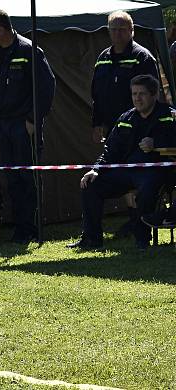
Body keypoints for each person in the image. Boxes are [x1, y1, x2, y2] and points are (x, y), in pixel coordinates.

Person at [68, 75, 176, 250]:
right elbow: (110, 150)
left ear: (154, 95)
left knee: (147, 189)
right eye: (134, 94)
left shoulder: (169, 114)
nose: (137, 98)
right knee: (90, 185)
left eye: (142, 94)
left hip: (156, 171)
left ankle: (142, 239)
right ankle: (91, 239)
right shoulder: (126, 118)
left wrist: (157, 143)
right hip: (127, 171)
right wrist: (95, 170)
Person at [0, 9, 56, 244]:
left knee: (28, 177)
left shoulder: (29, 51)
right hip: (4, 124)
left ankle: (32, 226)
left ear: (2, 29)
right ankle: (19, 227)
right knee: (12, 178)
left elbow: (46, 86)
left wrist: (33, 120)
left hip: (23, 124)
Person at [91, 10, 160, 238]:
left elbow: (153, 95)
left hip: (139, 128)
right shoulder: (103, 58)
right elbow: (97, 93)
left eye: (122, 29)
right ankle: (129, 221)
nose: (117, 34)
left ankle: (136, 221)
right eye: (113, 29)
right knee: (117, 168)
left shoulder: (142, 57)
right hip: (114, 127)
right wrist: (97, 122)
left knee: (136, 171)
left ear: (132, 31)